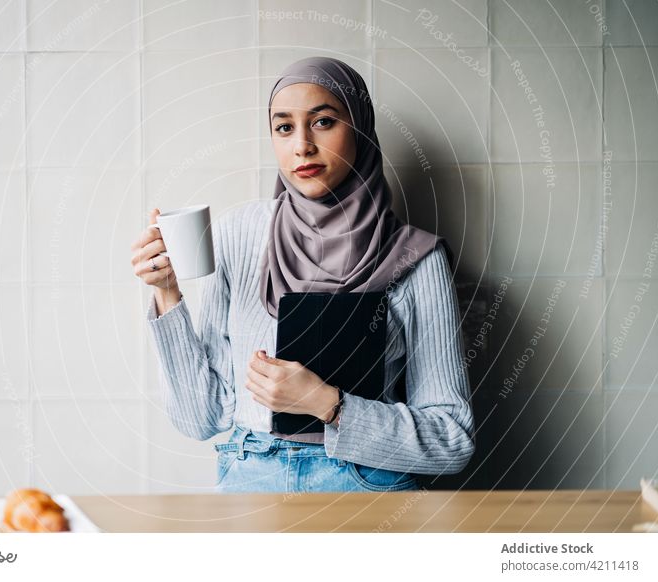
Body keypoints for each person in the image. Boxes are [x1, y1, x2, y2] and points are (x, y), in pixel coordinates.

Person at [131, 56, 475, 494]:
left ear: (361, 129)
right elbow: (201, 418)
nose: (302, 147)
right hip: (248, 478)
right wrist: (166, 292)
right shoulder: (240, 235)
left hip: (366, 484)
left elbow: (452, 441)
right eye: (284, 127)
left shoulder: (416, 257)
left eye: (324, 121)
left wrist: (327, 405)